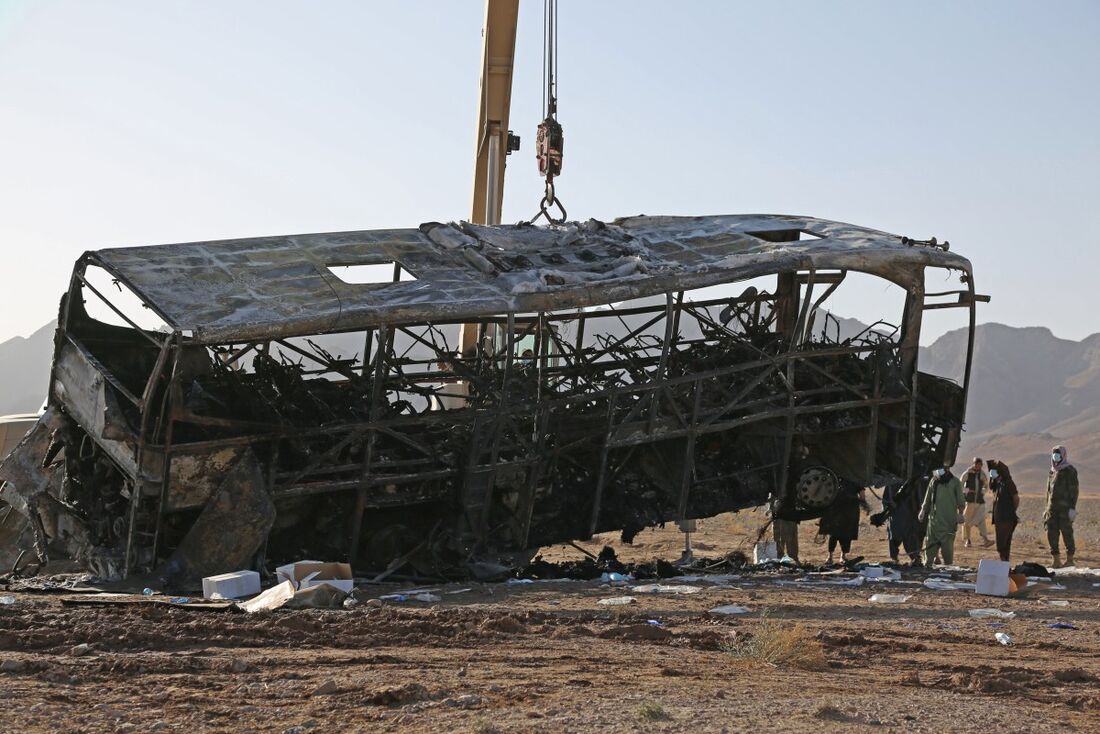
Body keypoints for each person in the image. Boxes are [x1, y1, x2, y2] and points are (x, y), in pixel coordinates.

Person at [919, 465, 964, 566]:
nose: (937, 471)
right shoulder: (934, 481)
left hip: (948, 523)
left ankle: (948, 576)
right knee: (929, 554)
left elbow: (961, 500)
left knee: (947, 555)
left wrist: (960, 514)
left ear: (947, 469)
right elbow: (927, 497)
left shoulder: (955, 482)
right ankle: (927, 572)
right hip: (933, 523)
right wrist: (922, 510)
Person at [1045, 444, 1079, 568]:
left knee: (1067, 533)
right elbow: (1048, 492)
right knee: (1051, 533)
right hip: (1051, 509)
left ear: (1063, 455)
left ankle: (1070, 559)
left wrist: (1072, 509)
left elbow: (1074, 491)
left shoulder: (1070, 470)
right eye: (1054, 453)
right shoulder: (1052, 471)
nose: (1056, 456)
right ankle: (1056, 560)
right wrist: (1046, 508)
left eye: (1058, 453)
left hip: (1065, 509)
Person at [819, 487, 866, 565]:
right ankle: (840, 556)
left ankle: (832, 557)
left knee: (835, 534)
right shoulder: (855, 478)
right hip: (847, 510)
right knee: (843, 534)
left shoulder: (838, 477)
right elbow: (862, 496)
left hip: (839, 509)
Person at [986, 459, 1019, 562]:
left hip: (1007, 517)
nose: (992, 473)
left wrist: (1011, 510)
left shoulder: (1008, 483)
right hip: (1000, 517)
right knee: (1003, 542)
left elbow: (1016, 498)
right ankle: (1004, 563)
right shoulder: (998, 484)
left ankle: (1003, 562)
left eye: (994, 471)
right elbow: (990, 487)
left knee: (1003, 543)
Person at [882, 481, 921, 565]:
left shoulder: (911, 482)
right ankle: (896, 559)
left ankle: (914, 558)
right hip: (897, 515)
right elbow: (885, 500)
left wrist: (918, 510)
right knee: (896, 538)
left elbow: (917, 499)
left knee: (909, 537)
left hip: (908, 515)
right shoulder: (891, 483)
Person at [959, 457, 993, 548]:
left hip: (979, 501)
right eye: (977, 464)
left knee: (981, 520)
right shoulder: (967, 474)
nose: (978, 466)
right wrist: (967, 490)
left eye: (980, 465)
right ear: (973, 464)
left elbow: (986, 486)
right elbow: (959, 486)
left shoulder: (982, 474)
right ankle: (967, 540)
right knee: (966, 521)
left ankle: (986, 540)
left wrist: (982, 491)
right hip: (969, 502)